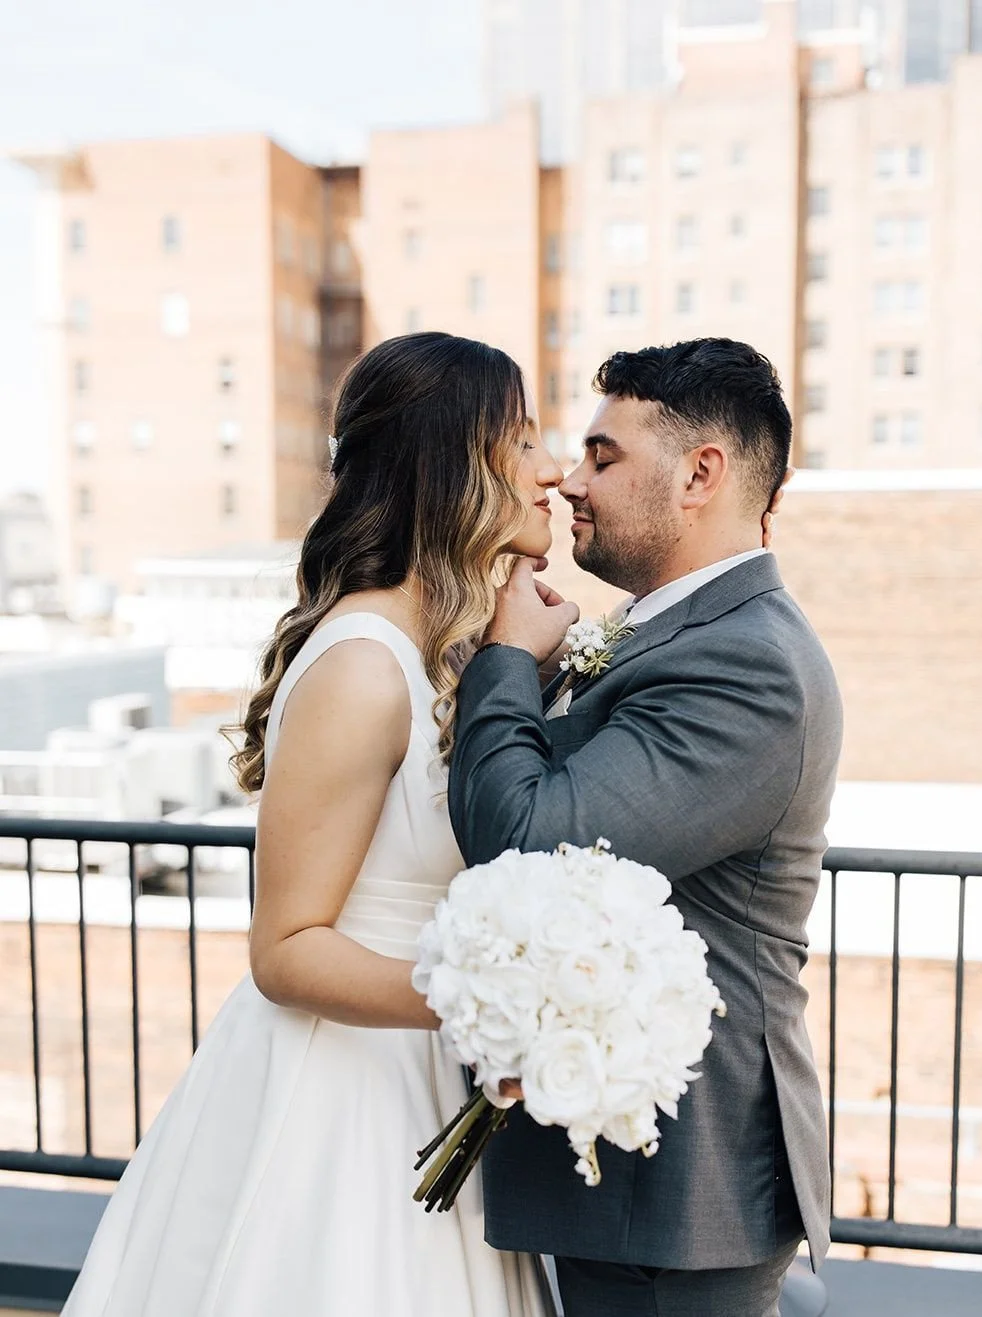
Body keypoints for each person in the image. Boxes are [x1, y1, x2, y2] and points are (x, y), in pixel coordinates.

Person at [62, 332, 559, 1317]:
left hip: (418, 1072)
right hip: (339, 1095)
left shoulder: (437, 653)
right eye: (524, 439)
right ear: (449, 463)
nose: (549, 469)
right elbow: (285, 949)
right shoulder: (364, 665)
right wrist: (494, 1003)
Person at [448, 337, 843, 1317]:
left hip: (673, 1189)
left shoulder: (747, 664)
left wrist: (504, 660)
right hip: (624, 1183)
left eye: (602, 455)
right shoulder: (662, 628)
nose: (569, 482)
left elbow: (527, 842)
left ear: (699, 474)